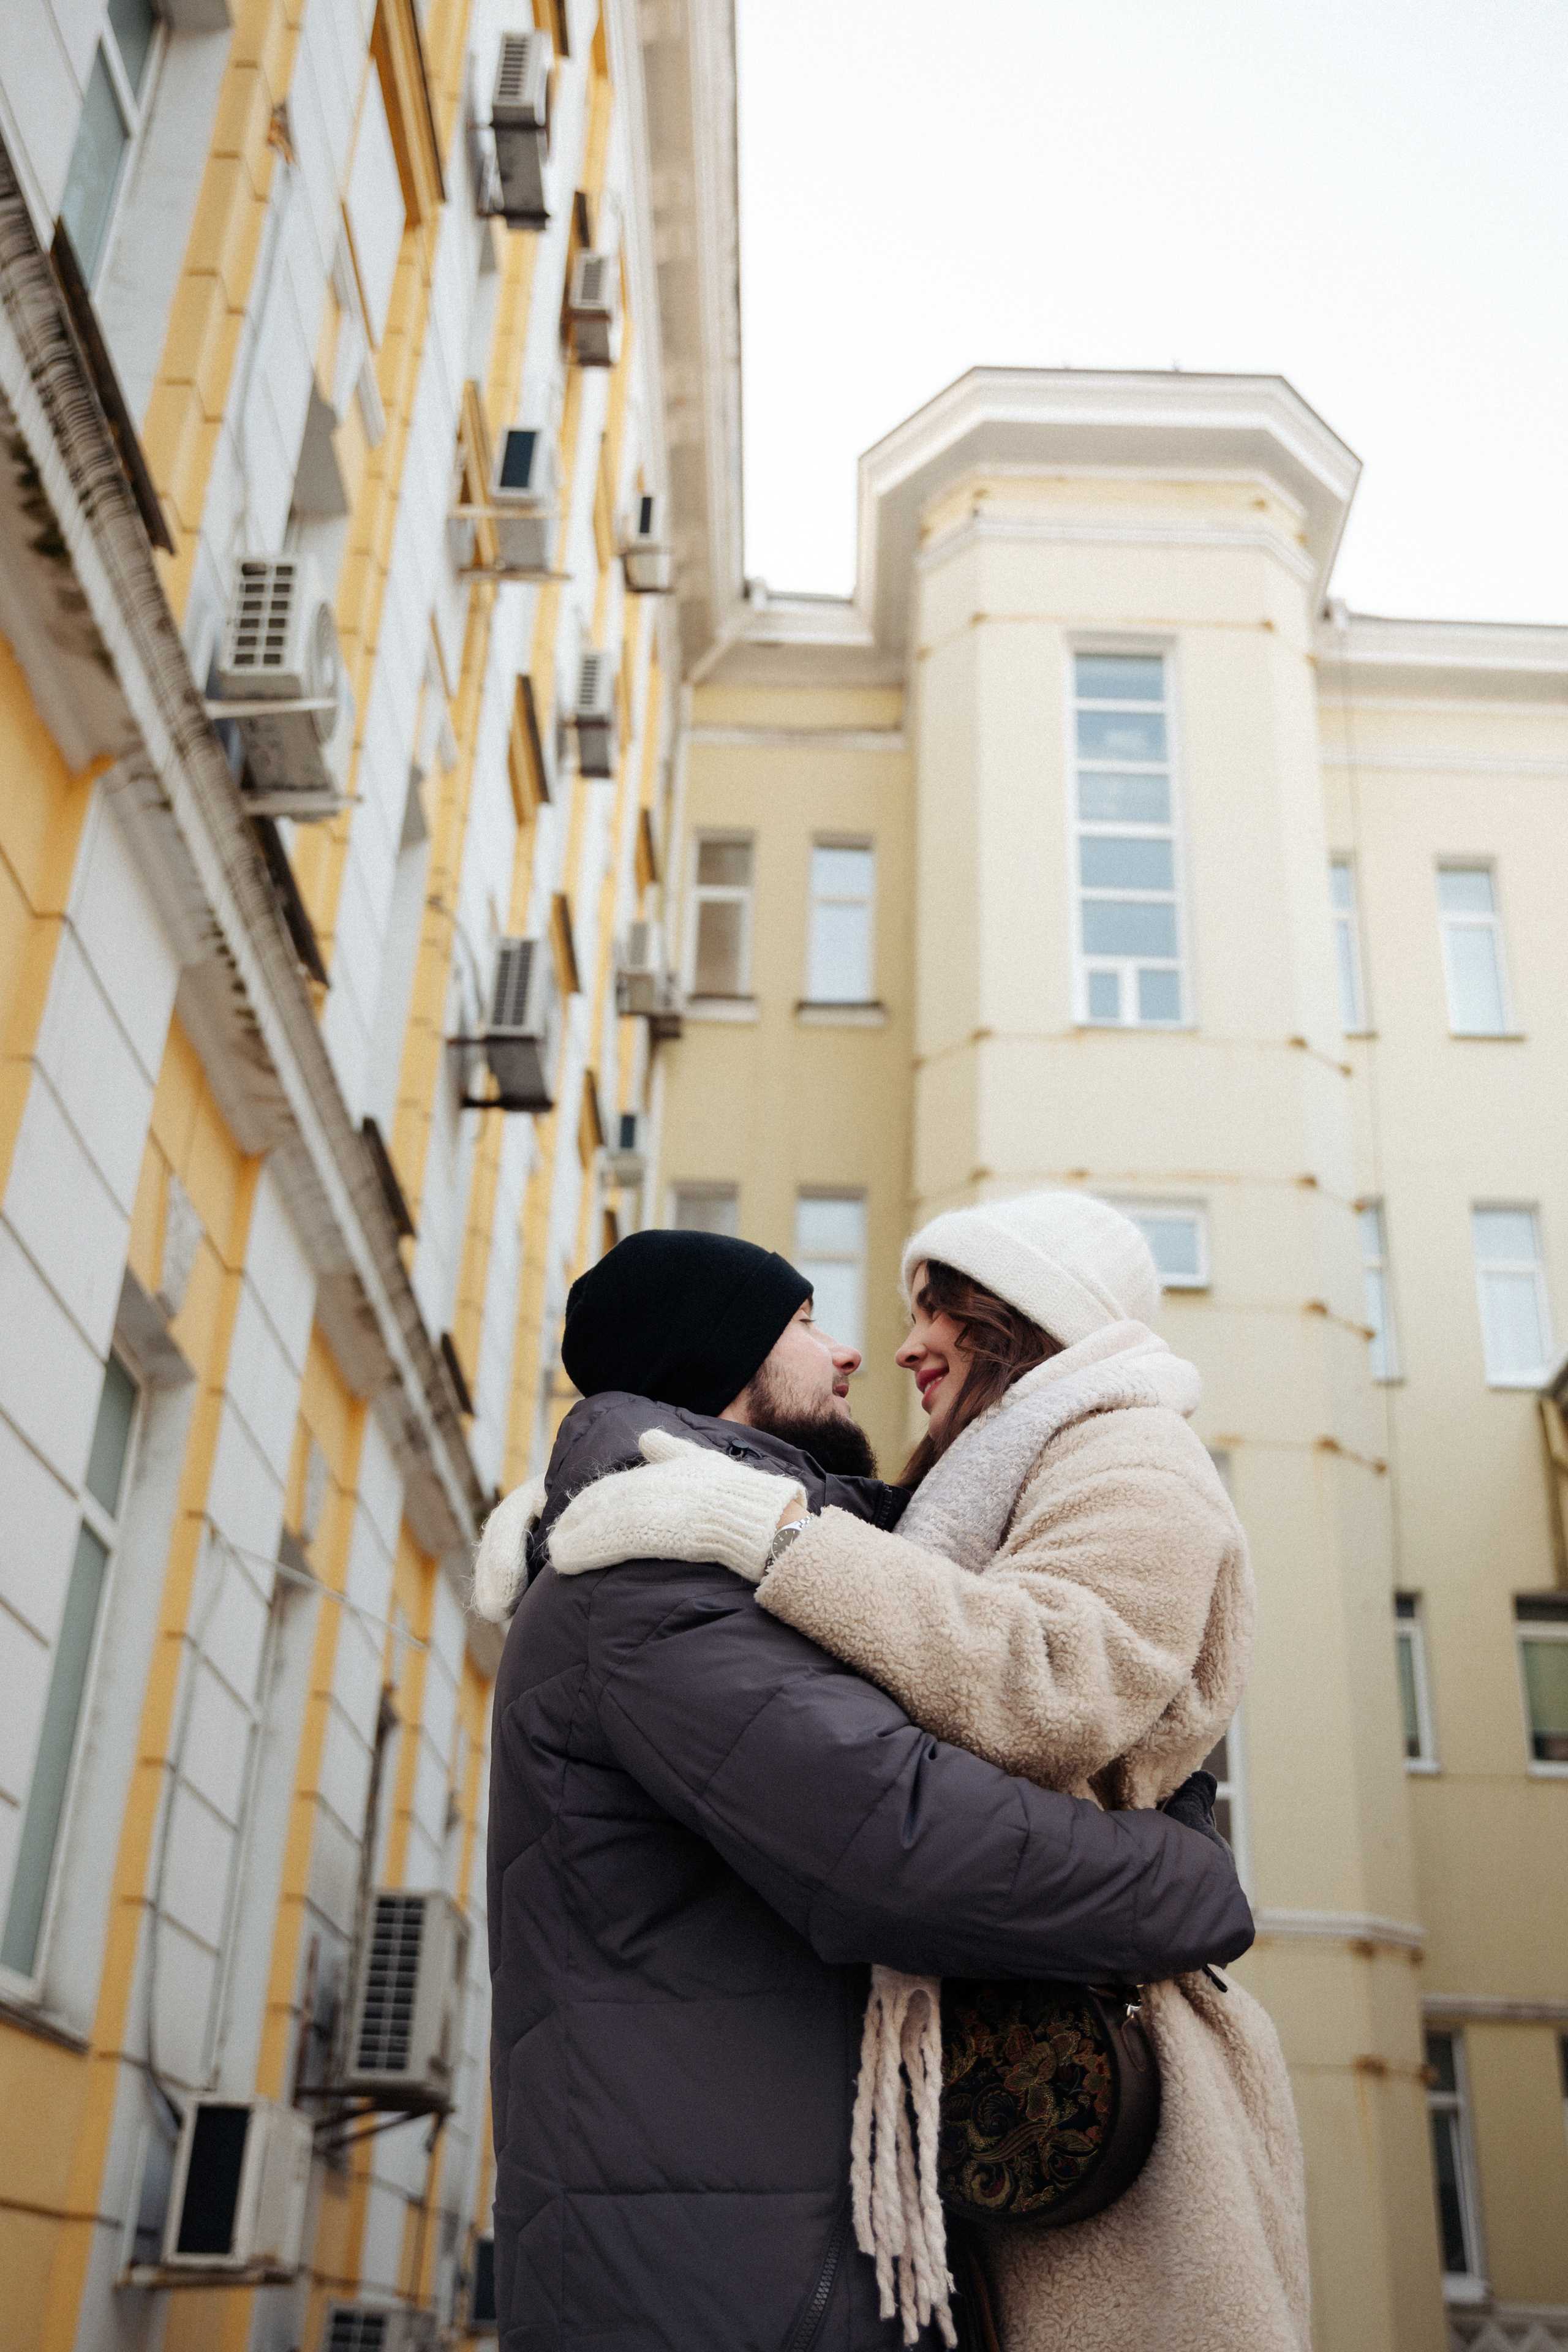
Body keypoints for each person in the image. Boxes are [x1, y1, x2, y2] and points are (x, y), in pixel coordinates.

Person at [546, 1196, 1310, 2352]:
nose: (901, 1345)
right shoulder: (993, 1479)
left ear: (1025, 1320)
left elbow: (1050, 1683)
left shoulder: (1131, 1450)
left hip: (1105, 2075)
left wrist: (778, 1537)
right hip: (1020, 2044)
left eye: (939, 1310)